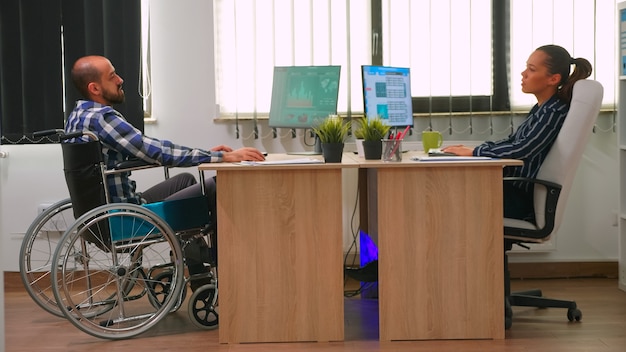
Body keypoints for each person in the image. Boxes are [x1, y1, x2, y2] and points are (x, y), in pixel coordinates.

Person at [65, 55, 266, 288]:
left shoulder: (79, 116)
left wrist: (204, 153)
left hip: (102, 215)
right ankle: (217, 274)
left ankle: (196, 273)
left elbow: (141, 148)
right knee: (215, 186)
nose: (120, 79)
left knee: (184, 181)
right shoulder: (102, 118)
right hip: (126, 219)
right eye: (112, 76)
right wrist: (223, 157)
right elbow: (156, 151)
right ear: (95, 87)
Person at [443, 44, 592, 222]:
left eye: (531, 69)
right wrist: (476, 149)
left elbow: (523, 149)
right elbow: (513, 141)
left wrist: (476, 152)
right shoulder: (542, 108)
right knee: (450, 188)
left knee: (446, 194)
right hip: (514, 191)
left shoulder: (553, 111)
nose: (523, 74)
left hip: (519, 198)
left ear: (553, 79)